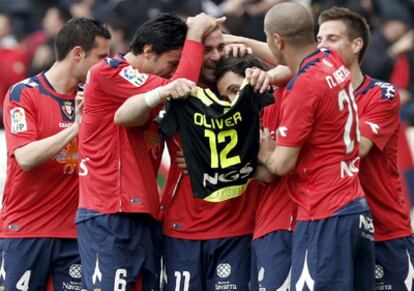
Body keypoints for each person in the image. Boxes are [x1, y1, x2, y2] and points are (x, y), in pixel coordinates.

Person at [76, 13, 220, 290]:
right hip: (109, 211)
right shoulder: (108, 72)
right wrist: (193, 36)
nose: (174, 71)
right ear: (149, 51)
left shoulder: (148, 87)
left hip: (145, 212)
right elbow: (183, 85)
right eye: (172, 63)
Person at [258, 2, 374, 290]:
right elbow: (292, 67)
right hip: (355, 206)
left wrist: (265, 153)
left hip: (323, 212)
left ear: (277, 40)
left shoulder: (303, 87)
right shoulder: (331, 60)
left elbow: (282, 164)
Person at [0, 17, 110, 290]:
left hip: (74, 234)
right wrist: (75, 129)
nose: (106, 66)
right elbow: (25, 158)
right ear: (77, 53)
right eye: (101, 57)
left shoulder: (93, 98)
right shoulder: (23, 93)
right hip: (25, 230)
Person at [317, 7, 414, 290]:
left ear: (356, 44)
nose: (322, 46)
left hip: (384, 230)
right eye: (319, 39)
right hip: (336, 235)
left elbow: (358, 147)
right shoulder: (312, 96)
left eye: (331, 38)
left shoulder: (381, 94)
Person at [158, 27, 260, 290]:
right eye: (207, 49)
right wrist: (193, 33)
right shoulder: (173, 88)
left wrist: (246, 47)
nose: (215, 57)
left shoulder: (247, 87)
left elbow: (297, 61)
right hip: (182, 227)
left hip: (236, 227)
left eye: (221, 48)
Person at [214, 55, 295, 290]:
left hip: (285, 226)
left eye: (235, 90)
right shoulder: (240, 123)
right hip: (260, 228)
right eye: (225, 96)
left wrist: (215, 164)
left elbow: (270, 173)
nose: (231, 101)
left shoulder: (280, 103)